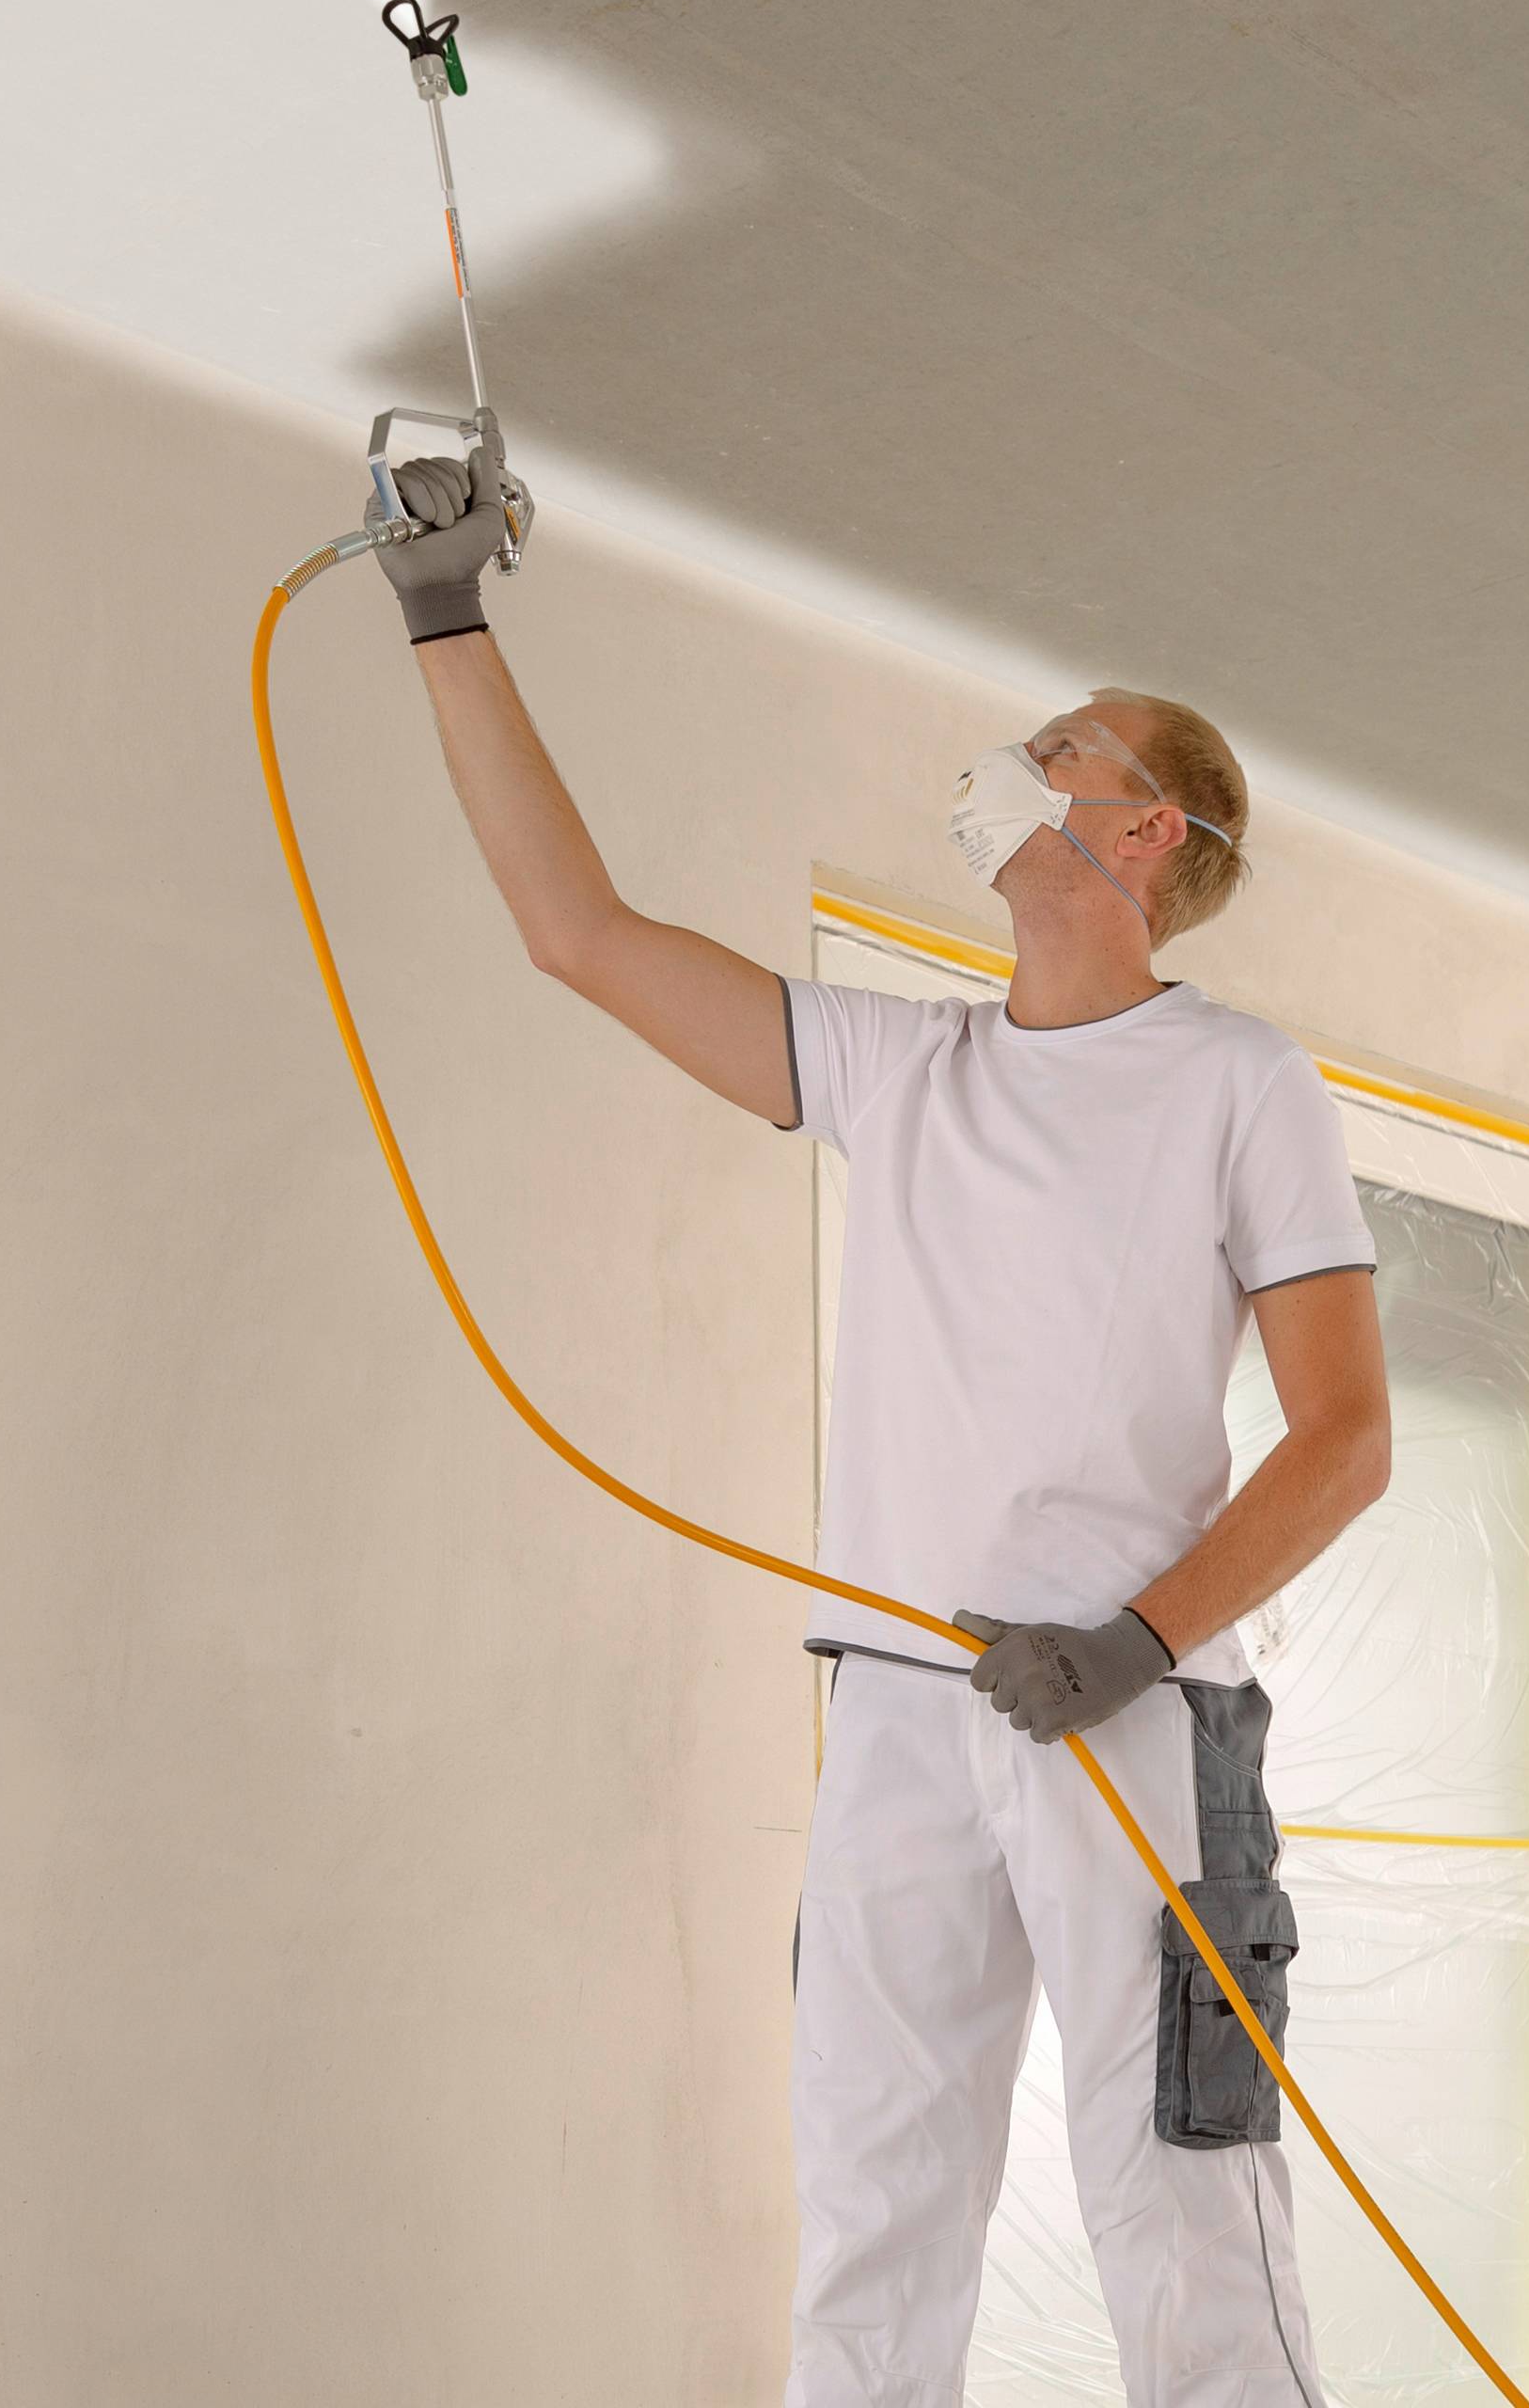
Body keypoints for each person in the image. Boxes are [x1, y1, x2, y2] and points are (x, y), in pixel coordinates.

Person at [371, 433, 1393, 2408]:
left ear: (1148, 830)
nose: (1015, 760)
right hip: (903, 1712)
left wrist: (1132, 1640)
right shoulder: (898, 1067)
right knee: (872, 2215)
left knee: (1184, 2222)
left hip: (1131, 1723)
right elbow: (578, 933)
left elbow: (1345, 1435)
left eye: (1062, 745)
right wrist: (446, 619)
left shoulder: (1235, 1081)